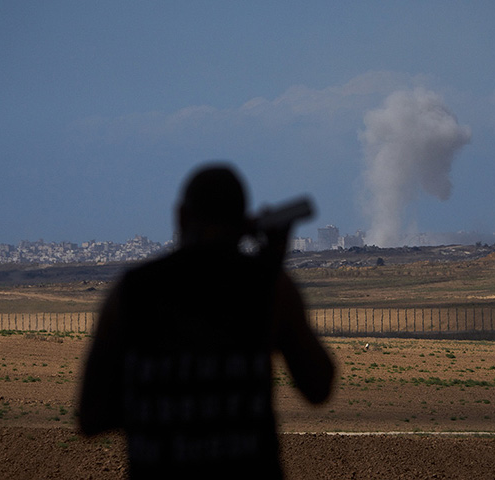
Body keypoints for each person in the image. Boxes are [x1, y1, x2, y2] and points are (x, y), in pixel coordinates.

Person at [78, 163, 335, 479]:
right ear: (243, 222)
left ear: (181, 216)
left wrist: (165, 406)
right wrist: (270, 270)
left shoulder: (131, 292)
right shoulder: (267, 289)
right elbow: (318, 386)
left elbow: (91, 416)